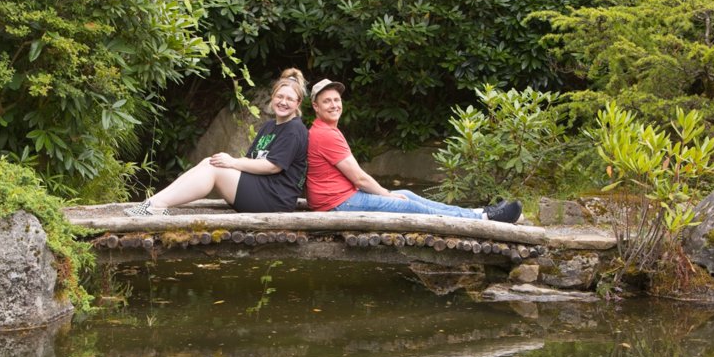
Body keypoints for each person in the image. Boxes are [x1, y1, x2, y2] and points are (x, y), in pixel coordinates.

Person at [305, 79, 522, 223]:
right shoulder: (326, 134)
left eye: (336, 100)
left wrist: (390, 194)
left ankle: (479, 212)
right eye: (327, 101)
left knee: (407, 194)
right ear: (316, 106)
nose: (334, 105)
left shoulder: (324, 130)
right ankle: (485, 219)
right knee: (408, 205)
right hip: (337, 204)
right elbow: (360, 179)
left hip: (340, 199)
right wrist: (388, 195)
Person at [125, 69, 310, 216]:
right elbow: (251, 160)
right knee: (210, 162)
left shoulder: (294, 129)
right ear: (273, 97)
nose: (283, 102)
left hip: (274, 200)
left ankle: (157, 206)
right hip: (260, 189)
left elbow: (272, 167)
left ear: (298, 103)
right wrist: (231, 163)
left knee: (215, 169)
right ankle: (152, 203)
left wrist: (232, 162)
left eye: (289, 99)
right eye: (280, 96)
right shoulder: (269, 126)